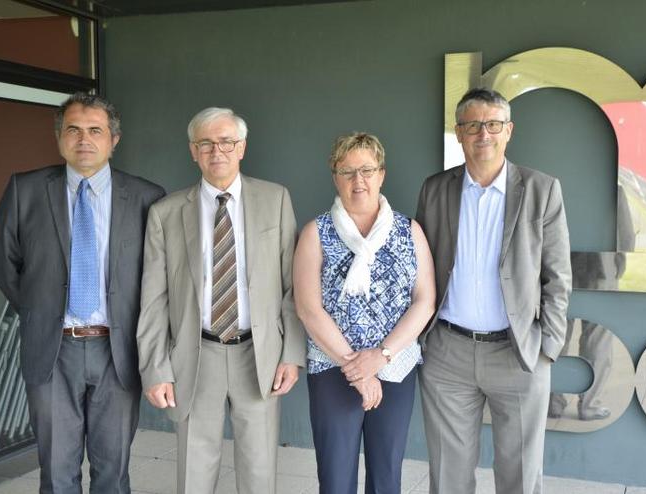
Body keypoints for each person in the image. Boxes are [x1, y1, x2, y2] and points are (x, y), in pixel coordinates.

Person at [0, 92, 165, 493]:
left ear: (113, 139)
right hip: (53, 351)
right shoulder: (25, 190)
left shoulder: (146, 198)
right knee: (56, 471)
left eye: (95, 130)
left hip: (117, 352)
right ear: (59, 137)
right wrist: (41, 311)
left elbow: (159, 276)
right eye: (73, 130)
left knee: (113, 471)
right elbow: (5, 263)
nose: (84, 139)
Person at [136, 107, 305, 494]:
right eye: (206, 143)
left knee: (259, 470)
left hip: (258, 353)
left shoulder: (275, 199)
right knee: (194, 471)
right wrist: (155, 368)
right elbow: (153, 300)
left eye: (227, 141)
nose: (218, 151)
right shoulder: (166, 213)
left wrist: (291, 354)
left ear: (242, 147)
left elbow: (291, 287)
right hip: (197, 354)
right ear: (192, 151)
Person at [416, 88, 572, 494]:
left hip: (518, 353)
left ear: (509, 131)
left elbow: (557, 277)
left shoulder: (542, 190)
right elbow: (420, 267)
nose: (483, 133)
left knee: (520, 474)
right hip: (447, 355)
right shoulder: (435, 189)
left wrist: (546, 348)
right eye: (472, 125)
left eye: (493, 124)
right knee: (448, 474)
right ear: (459, 133)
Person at [294, 132, 435, 494]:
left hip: (394, 368)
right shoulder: (316, 233)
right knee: (336, 477)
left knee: (387, 476)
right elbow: (308, 309)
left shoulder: (409, 231)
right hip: (333, 369)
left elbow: (424, 301)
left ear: (382, 175)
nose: (359, 180)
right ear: (335, 177)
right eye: (348, 171)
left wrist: (381, 356)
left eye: (367, 170)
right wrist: (355, 368)